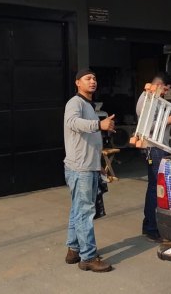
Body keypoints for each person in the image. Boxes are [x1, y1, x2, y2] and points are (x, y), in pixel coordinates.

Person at [63, 69, 116, 272]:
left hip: (88, 166)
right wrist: (98, 124)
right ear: (78, 83)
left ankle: (74, 250)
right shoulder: (74, 103)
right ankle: (88, 257)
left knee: (78, 209)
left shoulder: (88, 105)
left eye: (94, 78)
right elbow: (73, 123)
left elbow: (90, 139)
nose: (93, 81)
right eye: (88, 78)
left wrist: (99, 165)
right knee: (85, 211)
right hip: (80, 167)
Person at [136, 73, 171, 242]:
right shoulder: (147, 99)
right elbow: (147, 127)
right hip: (153, 149)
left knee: (154, 188)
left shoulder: (153, 99)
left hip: (157, 148)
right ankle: (151, 229)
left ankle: (149, 225)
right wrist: (168, 120)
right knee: (156, 189)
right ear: (160, 85)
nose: (165, 93)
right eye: (165, 90)